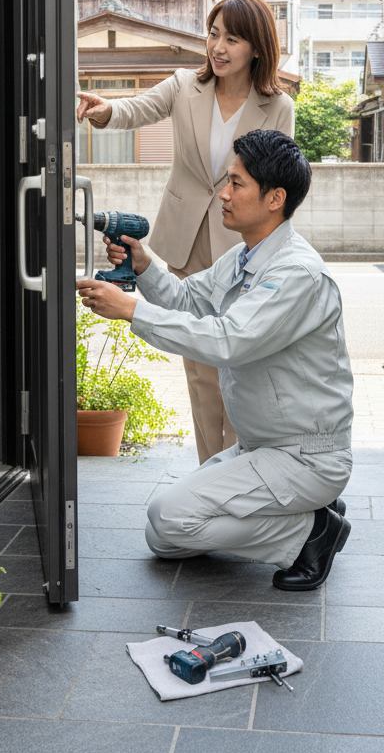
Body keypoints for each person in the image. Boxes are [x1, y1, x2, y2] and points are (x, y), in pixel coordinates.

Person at [76, 130, 353, 591]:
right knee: (162, 537)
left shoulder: (296, 273)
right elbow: (188, 299)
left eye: (236, 183)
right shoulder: (245, 257)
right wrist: (143, 265)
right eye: (227, 180)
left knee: (169, 519)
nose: (223, 193)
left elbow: (228, 341)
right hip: (261, 447)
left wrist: (131, 310)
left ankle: (311, 531)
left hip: (304, 456)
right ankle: (305, 513)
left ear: (275, 198)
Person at [76, 0, 295, 466]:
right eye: (213, 34)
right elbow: (136, 109)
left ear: (257, 47)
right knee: (201, 373)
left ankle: (241, 471)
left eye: (232, 39)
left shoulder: (278, 106)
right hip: (186, 239)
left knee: (242, 364)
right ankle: (210, 472)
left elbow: (278, 179)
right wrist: (103, 109)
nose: (218, 47)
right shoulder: (183, 85)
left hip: (243, 245)